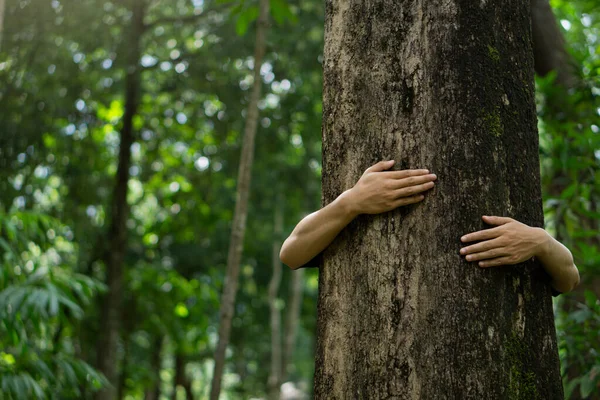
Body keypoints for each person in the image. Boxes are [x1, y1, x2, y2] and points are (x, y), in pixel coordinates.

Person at [279, 159, 580, 294]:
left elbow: (567, 280)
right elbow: (291, 253)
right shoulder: (349, 210)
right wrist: (351, 201)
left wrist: (541, 241)